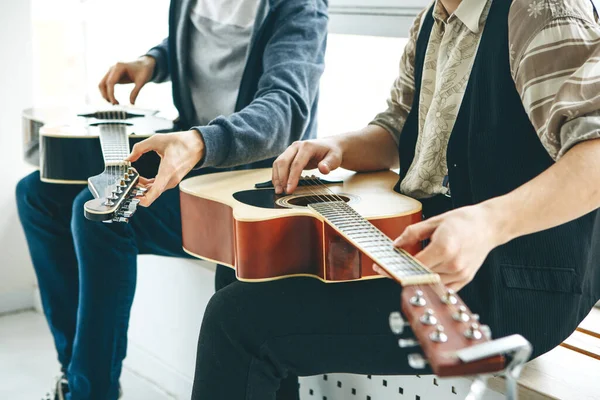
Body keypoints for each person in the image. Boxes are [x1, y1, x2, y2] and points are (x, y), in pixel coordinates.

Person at [190, 0, 600, 398]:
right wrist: (336, 145)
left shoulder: (544, 10)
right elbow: (397, 128)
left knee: (237, 320)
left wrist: (488, 223)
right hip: (423, 248)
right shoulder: (432, 17)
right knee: (249, 269)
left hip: (518, 281)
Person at [16, 1, 328, 399]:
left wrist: (201, 142)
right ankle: (74, 373)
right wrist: (154, 61)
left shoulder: (300, 7)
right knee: (37, 194)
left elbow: (285, 110)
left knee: (97, 214)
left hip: (246, 180)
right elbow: (204, 40)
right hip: (189, 154)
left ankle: (89, 392)